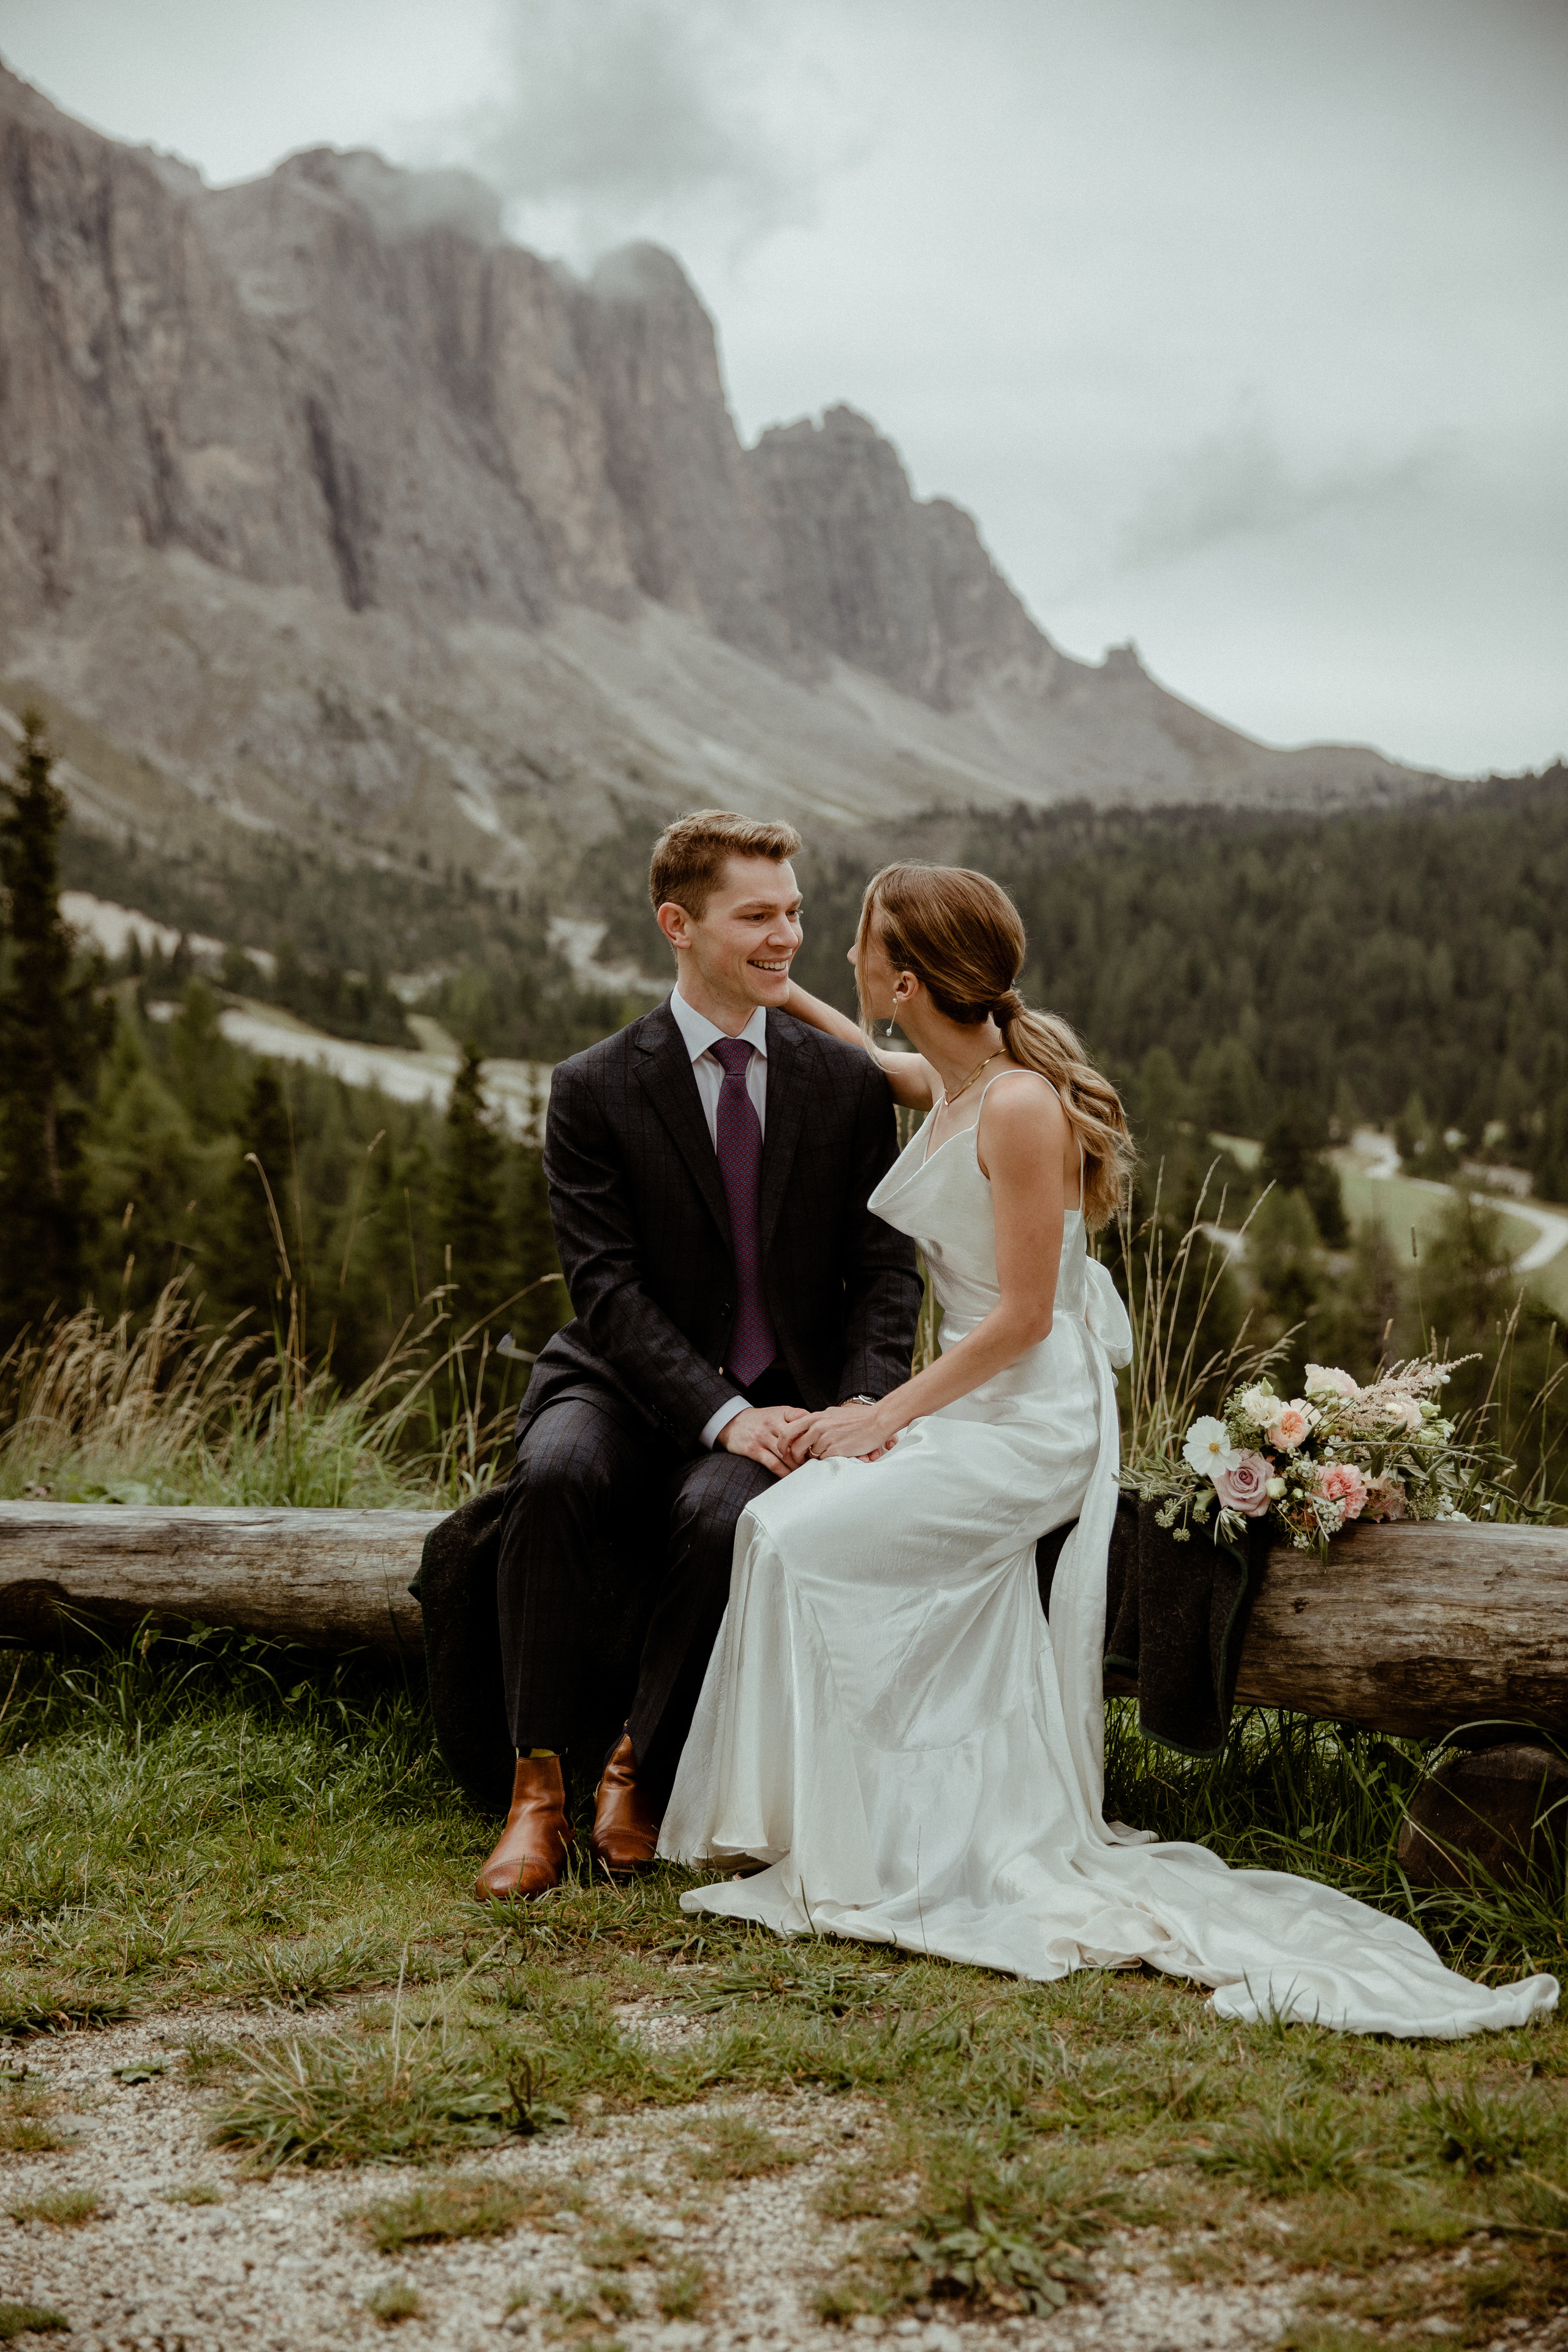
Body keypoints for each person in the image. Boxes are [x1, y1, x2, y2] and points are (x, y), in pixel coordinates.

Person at [660, 863, 1558, 2037]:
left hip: (1033, 1416)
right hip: (980, 1397)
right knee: (781, 1530)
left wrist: (885, 1416)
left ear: (913, 977)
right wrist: (777, 1001)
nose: (840, 960)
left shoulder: (1021, 1106)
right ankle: (843, 1824)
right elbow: (874, 1059)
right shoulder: (955, 1074)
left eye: (861, 948)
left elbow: (1027, 1318)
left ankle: (884, 1832)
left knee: (794, 1531)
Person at [475, 812, 922, 1901]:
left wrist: (861, 1406)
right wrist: (721, 1413)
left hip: (792, 1392)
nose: (787, 939)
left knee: (725, 1517)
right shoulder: (594, 1086)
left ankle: (636, 1768)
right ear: (678, 924)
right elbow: (607, 1290)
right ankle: (536, 1789)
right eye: (757, 916)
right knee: (554, 1475)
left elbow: (884, 1269)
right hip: (624, 1377)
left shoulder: (848, 1081)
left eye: (796, 914)